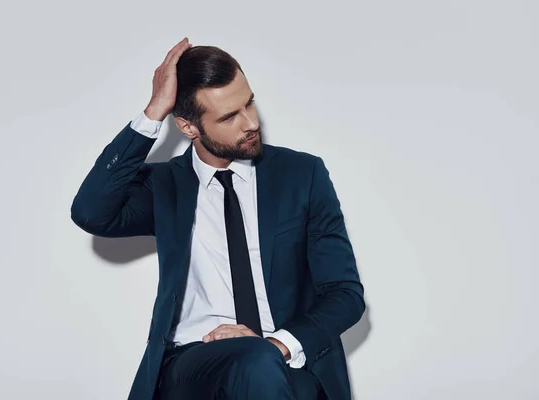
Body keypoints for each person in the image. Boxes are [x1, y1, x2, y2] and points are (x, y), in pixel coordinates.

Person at [71, 37, 365, 400]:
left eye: (249, 103)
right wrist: (153, 112)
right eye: (229, 116)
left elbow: (345, 294)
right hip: (193, 365)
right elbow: (90, 212)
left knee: (263, 366)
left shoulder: (301, 175)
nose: (251, 122)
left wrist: (275, 344)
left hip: (285, 358)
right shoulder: (165, 186)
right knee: (255, 365)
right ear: (189, 128)